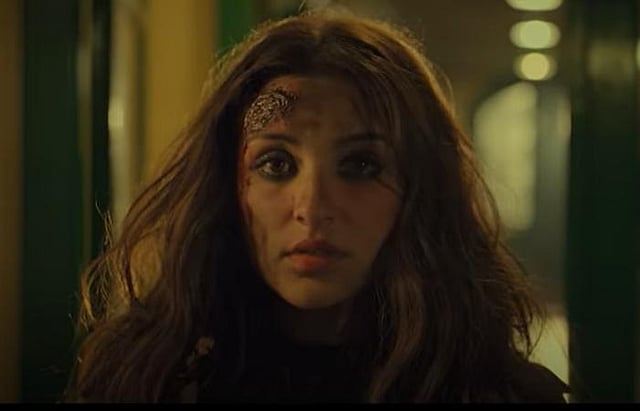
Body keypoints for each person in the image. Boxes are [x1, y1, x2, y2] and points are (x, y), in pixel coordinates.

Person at [66, 10, 569, 403]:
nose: (312, 207)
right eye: (276, 164)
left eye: (361, 166)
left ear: (418, 191)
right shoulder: (147, 379)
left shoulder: (494, 393)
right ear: (227, 183)